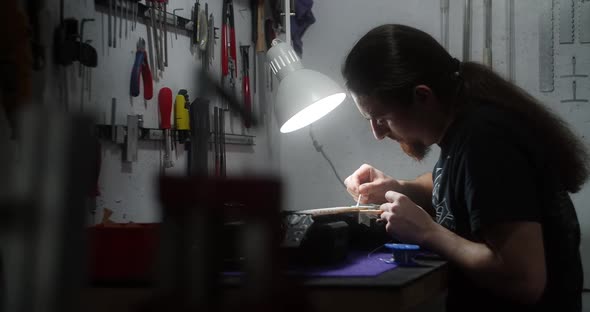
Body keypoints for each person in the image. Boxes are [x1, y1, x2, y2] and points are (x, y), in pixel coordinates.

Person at [342, 24, 588, 312]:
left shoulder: (487, 140)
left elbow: (524, 280)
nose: (378, 133)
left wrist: (427, 232)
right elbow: (455, 184)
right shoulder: (464, 131)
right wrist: (398, 187)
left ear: (423, 96)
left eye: (381, 118)